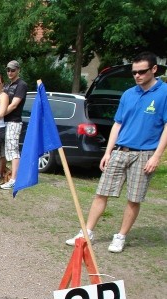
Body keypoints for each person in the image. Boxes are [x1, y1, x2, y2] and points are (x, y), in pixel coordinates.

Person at [66, 51, 167, 253]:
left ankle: (120, 236)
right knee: (101, 192)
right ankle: (86, 232)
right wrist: (108, 152)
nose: (137, 76)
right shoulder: (129, 94)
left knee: (134, 198)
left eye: (142, 72)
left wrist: (157, 156)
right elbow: (117, 124)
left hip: (145, 153)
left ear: (154, 69)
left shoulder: (164, 93)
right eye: (134, 72)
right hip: (120, 151)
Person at [0, 60, 28, 190]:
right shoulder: (7, 86)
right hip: (3, 121)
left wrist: (1, 114)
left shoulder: (21, 85)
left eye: (13, 70)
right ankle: (3, 174)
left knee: (13, 150)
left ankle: (14, 179)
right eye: (8, 70)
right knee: (3, 150)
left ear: (18, 70)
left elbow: (14, 104)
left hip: (14, 121)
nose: (10, 72)